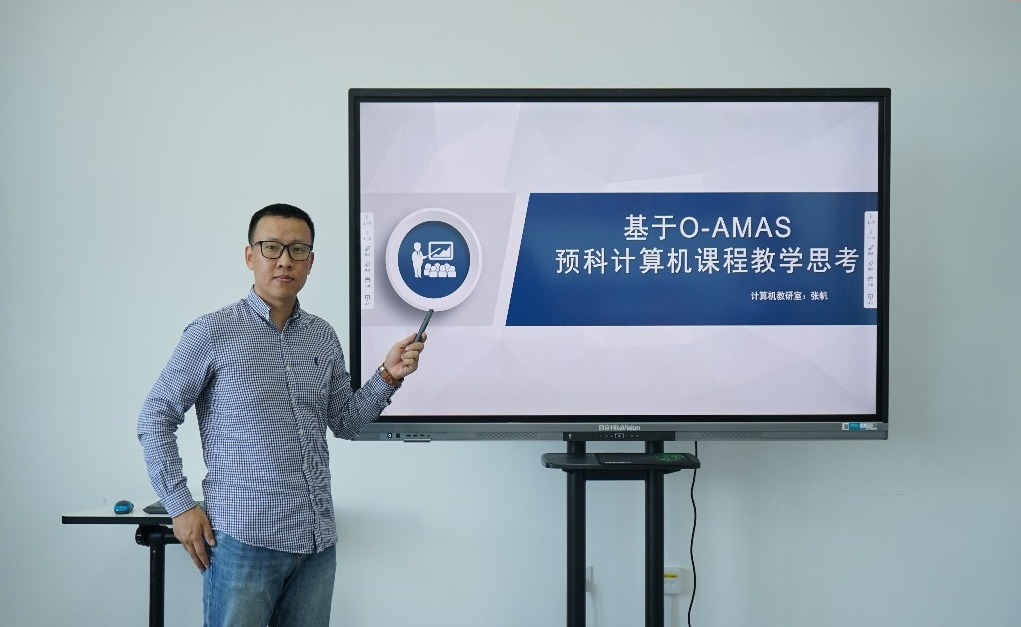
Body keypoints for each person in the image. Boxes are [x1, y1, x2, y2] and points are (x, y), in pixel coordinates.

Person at [137, 203, 425, 627]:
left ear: (311, 261)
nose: (285, 260)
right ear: (249, 256)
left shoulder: (322, 336)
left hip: (316, 545)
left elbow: (345, 421)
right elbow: (154, 417)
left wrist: (388, 375)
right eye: (271, 247)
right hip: (242, 543)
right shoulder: (212, 332)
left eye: (297, 250)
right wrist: (180, 507)